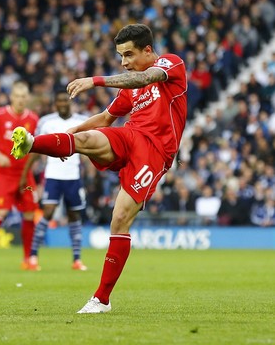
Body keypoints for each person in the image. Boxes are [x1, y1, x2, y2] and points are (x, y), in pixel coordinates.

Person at [11, 24, 187, 313]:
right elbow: (105, 119)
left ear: (147, 50)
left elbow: (146, 76)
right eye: (120, 56)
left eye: (128, 55)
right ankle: (30, 143)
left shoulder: (171, 63)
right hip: (130, 136)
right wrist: (71, 136)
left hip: (155, 152)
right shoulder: (132, 86)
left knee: (119, 220)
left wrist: (95, 80)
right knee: (85, 140)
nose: (124, 62)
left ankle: (101, 300)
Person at [20, 90, 89, 272]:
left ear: (70, 102)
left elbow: (90, 146)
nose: (62, 103)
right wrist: (24, 175)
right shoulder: (46, 122)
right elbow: (34, 148)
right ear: (55, 104)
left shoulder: (82, 121)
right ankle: (33, 257)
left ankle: (77, 259)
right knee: (47, 212)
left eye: (65, 100)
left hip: (73, 176)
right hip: (53, 175)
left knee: (74, 215)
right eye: (59, 100)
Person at [0, 81, 39, 271]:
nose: (20, 100)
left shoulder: (34, 119)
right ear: (11, 97)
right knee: (1, 211)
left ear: (27, 98)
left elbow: (36, 146)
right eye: (17, 96)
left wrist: (30, 165)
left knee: (29, 212)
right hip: (4, 172)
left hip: (24, 173)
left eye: (23, 96)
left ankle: (27, 258)